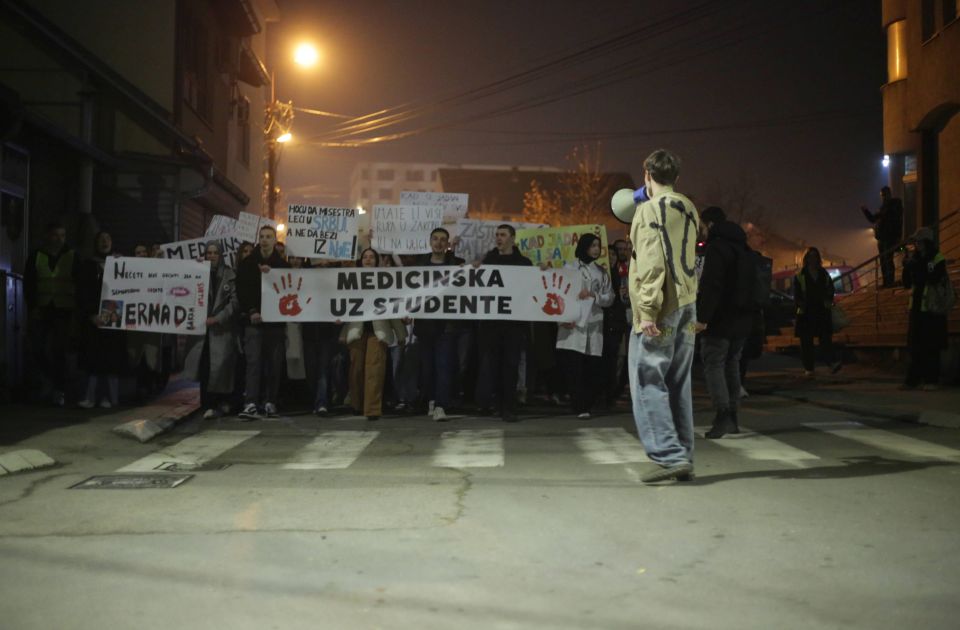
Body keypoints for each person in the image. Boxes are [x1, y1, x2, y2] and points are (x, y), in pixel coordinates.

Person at [627, 149, 700, 483]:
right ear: (677, 178)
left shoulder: (648, 211)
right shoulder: (689, 207)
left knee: (649, 377)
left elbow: (652, 263)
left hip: (663, 305)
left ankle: (669, 455)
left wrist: (646, 312)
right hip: (688, 302)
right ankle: (683, 453)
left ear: (647, 175)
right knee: (678, 382)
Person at [695, 206, 755, 438]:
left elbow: (712, 286)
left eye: (702, 226)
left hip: (721, 319)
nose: (701, 231)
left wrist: (702, 319)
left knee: (714, 365)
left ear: (709, 224)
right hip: (743, 318)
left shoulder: (717, 248)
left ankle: (722, 415)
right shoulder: (742, 247)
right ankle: (733, 417)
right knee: (732, 365)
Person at [474, 224, 533, 422]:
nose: (499, 238)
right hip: (491, 325)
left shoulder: (524, 263)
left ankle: (509, 406)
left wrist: (543, 271)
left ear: (512, 238)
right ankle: (496, 403)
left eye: (503, 235)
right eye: (497, 235)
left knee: (511, 366)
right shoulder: (488, 261)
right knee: (492, 366)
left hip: (514, 325)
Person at [343, 248, 406, 421]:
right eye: (365, 257)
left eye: (372, 257)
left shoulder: (385, 281)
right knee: (356, 370)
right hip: (356, 330)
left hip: (378, 332)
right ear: (361, 260)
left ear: (377, 261)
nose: (368, 260)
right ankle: (357, 405)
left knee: (375, 369)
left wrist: (401, 333)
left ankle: (372, 409)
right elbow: (343, 304)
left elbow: (391, 306)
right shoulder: (351, 279)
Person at [556, 233, 614, 419]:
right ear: (584, 247)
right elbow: (559, 294)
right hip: (572, 324)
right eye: (593, 245)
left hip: (593, 323)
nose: (597, 249)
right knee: (574, 367)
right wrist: (562, 318)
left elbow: (609, 297)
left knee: (592, 367)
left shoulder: (601, 271)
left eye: (598, 245)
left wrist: (594, 296)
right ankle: (578, 404)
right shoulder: (569, 267)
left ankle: (586, 404)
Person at [23, 221, 79, 406]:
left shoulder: (72, 256)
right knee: (37, 348)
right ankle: (52, 381)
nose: (60, 239)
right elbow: (29, 284)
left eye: (63, 235)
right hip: (43, 308)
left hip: (64, 309)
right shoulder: (36, 256)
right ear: (48, 236)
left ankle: (59, 389)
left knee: (59, 350)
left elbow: (79, 283)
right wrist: (33, 307)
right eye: (56, 235)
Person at [236, 224, 290, 419]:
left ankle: (270, 401)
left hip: (275, 324)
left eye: (269, 236)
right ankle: (250, 402)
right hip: (254, 322)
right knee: (253, 363)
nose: (265, 239)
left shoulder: (283, 266)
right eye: (263, 236)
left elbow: (289, 291)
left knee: (274, 364)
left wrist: (273, 273)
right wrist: (251, 311)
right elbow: (242, 290)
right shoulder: (248, 263)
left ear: (275, 240)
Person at [414, 227, 465, 421]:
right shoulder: (419, 264)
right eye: (435, 239)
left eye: (443, 239)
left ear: (448, 243)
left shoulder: (456, 264)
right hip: (425, 325)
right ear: (430, 241)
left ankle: (441, 405)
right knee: (427, 368)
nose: (439, 242)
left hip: (447, 325)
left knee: (444, 366)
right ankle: (431, 400)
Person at [183, 242, 239, 418]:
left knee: (222, 368)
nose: (212, 256)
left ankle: (222, 402)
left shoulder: (230, 274)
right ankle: (207, 404)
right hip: (202, 331)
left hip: (222, 330)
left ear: (221, 255)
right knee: (206, 367)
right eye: (209, 253)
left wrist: (218, 318)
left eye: (215, 253)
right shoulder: (198, 272)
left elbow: (234, 303)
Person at [77, 231, 127, 409]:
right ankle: (90, 397)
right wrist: (91, 315)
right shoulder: (88, 265)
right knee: (93, 359)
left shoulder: (120, 263)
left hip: (114, 319)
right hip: (94, 320)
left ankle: (109, 397)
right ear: (95, 243)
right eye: (101, 239)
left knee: (111, 359)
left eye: (108, 238)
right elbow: (83, 292)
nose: (105, 242)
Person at [901, 227, 950, 390]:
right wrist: (906, 267)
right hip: (916, 306)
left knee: (931, 345)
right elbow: (907, 283)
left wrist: (916, 266)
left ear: (926, 242)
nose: (916, 245)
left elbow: (934, 278)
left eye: (919, 241)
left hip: (932, 307)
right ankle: (913, 379)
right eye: (915, 242)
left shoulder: (936, 258)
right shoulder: (915, 259)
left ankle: (931, 380)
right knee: (915, 345)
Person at [794, 247, 840, 378]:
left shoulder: (823, 274)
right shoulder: (800, 275)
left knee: (826, 339)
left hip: (821, 311)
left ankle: (831, 363)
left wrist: (828, 299)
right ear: (806, 258)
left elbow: (830, 289)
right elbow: (797, 294)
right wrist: (800, 304)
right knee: (806, 341)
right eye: (810, 256)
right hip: (806, 312)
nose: (813, 259)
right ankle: (809, 368)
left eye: (815, 256)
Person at [602, 238, 632, 405]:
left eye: (624, 249)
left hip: (626, 320)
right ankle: (611, 390)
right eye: (617, 250)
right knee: (615, 358)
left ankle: (617, 389)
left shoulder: (628, 269)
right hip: (613, 321)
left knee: (623, 357)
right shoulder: (607, 272)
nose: (621, 252)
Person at [861, 186, 904, 288]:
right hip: (883, 238)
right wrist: (866, 211)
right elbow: (873, 219)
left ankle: (889, 282)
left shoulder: (893, 206)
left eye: (884, 195)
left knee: (887, 260)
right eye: (882, 195)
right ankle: (887, 282)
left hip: (889, 238)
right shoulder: (886, 207)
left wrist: (897, 236)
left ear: (888, 194)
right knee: (884, 261)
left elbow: (876, 218)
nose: (883, 197)